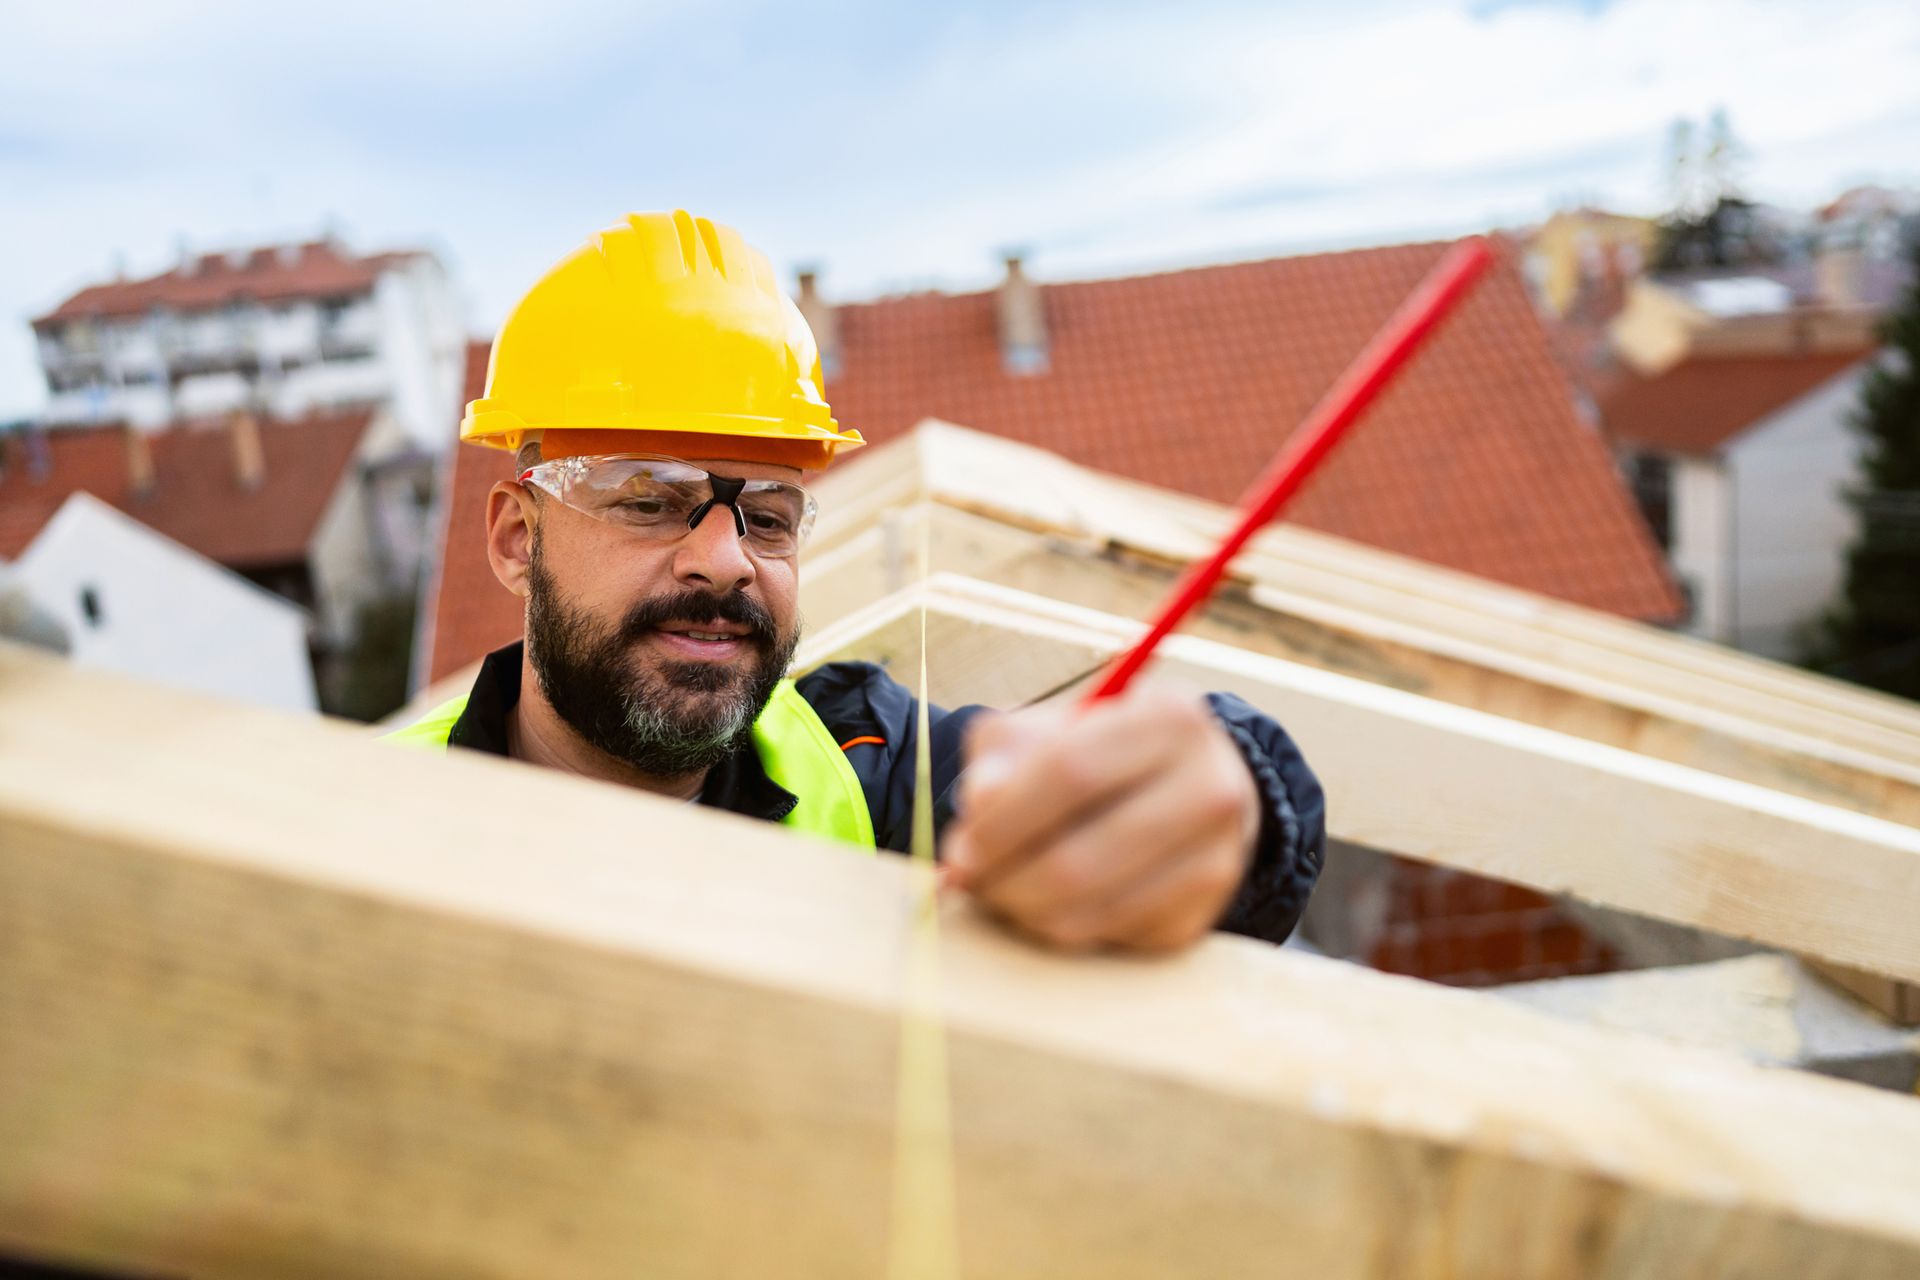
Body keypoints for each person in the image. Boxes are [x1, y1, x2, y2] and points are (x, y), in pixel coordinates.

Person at [390, 211, 1325, 951]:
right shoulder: (367, 817)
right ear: (518, 540)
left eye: (767, 515)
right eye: (649, 500)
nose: (724, 559)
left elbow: (1116, 781)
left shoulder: (867, 766)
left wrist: (1232, 797)